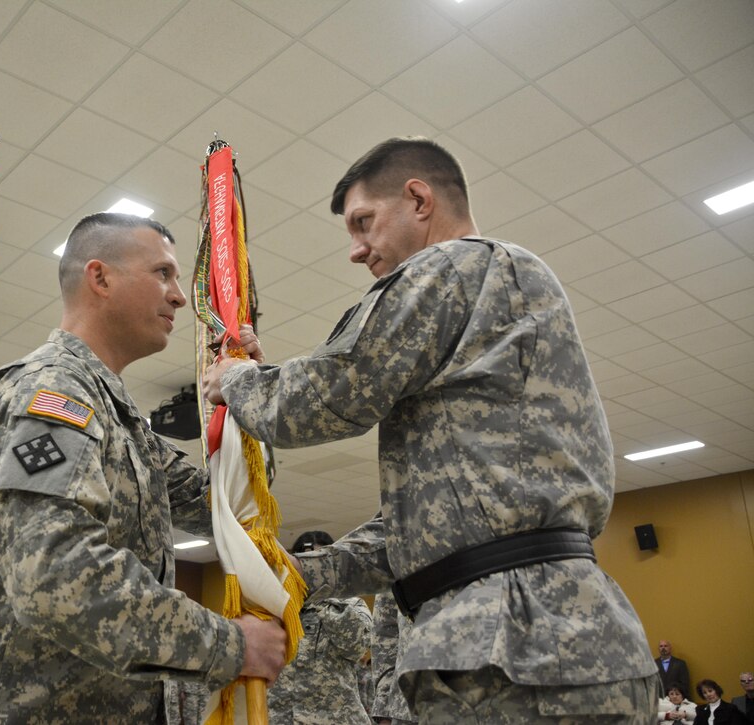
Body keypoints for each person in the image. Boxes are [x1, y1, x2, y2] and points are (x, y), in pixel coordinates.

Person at [203, 136, 658, 722]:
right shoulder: (501, 286)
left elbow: (330, 395)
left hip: (513, 649)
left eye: (364, 223)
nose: (357, 250)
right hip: (546, 634)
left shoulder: (450, 269)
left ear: (418, 199)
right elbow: (434, 523)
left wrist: (238, 380)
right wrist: (298, 574)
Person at [0, 212, 287, 724]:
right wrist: (229, 644)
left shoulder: (118, 416)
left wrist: (248, 398)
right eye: (162, 273)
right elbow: (55, 575)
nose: (178, 296)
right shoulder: (52, 392)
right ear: (100, 278)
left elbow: (222, 508)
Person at [266, 531, 372, 725]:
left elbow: (356, 647)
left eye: (319, 561)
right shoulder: (273, 606)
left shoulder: (350, 604)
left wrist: (321, 592)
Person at [370, 592, 416, 725]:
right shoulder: (397, 571)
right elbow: (385, 636)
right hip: (406, 710)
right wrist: (383, 709)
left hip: (472, 701)